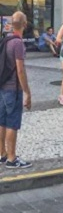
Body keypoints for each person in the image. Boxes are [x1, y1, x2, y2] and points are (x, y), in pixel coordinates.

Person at [0, 12, 32, 168]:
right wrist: (27, 91)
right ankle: (12, 158)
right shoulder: (18, 43)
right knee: (12, 123)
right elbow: (20, 70)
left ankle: (2, 154)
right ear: (24, 24)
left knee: (2, 121)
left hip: (3, 86)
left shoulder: (6, 40)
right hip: (13, 89)